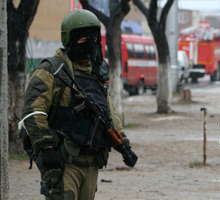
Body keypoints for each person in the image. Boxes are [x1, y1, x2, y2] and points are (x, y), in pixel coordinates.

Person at [19, 9, 137, 200]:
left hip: (91, 162)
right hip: (64, 162)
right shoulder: (51, 70)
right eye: (83, 39)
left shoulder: (96, 75)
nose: (90, 44)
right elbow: (33, 112)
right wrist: (45, 148)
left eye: (93, 38)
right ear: (70, 39)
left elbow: (109, 115)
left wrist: (124, 146)